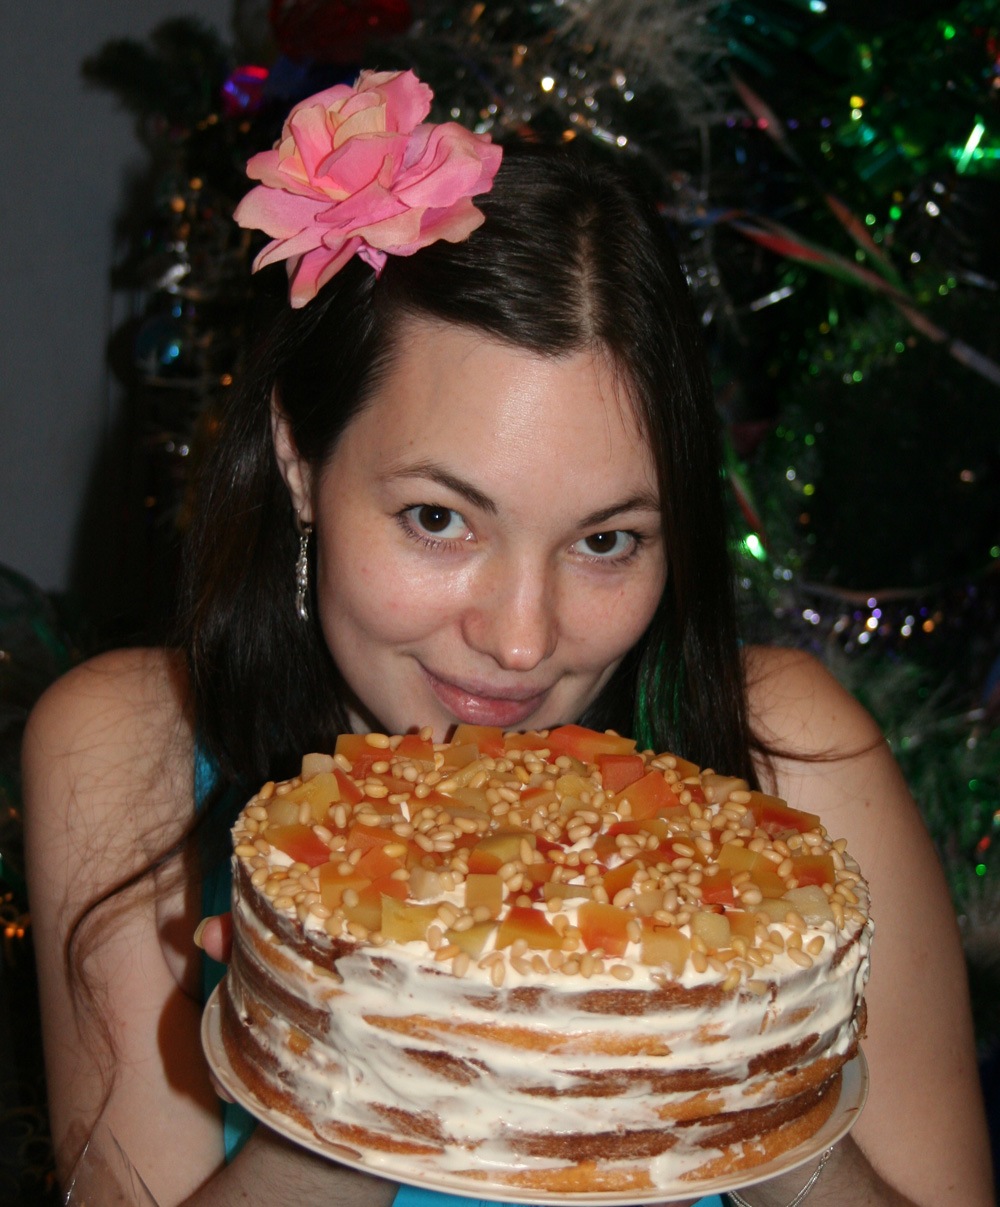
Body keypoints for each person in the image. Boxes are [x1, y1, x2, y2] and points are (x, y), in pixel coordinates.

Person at [23, 69, 992, 1207]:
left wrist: (750, 1076)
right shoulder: (125, 751)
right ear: (299, 461)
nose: (521, 642)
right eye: (439, 519)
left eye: (607, 541)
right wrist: (348, 1074)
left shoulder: (794, 770)